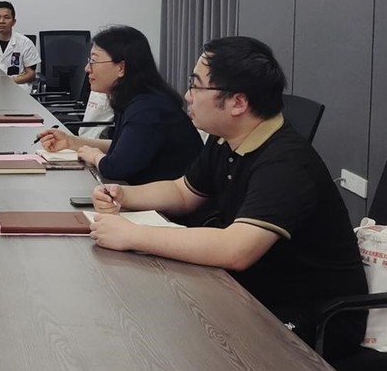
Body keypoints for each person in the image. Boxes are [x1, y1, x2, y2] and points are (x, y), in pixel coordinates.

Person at [87, 36, 367, 359]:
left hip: (312, 316)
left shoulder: (286, 163)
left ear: (237, 103)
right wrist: (124, 194)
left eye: (196, 86)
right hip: (251, 290)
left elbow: (236, 249)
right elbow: (183, 192)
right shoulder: (226, 139)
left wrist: (133, 235)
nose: (187, 96)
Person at [37, 25, 201, 184]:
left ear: (121, 67)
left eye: (94, 61)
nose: (87, 68)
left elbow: (116, 167)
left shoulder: (148, 108)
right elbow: (122, 148)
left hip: (168, 202)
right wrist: (71, 142)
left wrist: (94, 156)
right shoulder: (134, 99)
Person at [0, 1, 40, 91]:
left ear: (14, 22)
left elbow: (31, 74)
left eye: (6, 17)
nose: (2, 21)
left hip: (17, 88)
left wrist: (9, 81)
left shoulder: (25, 43)